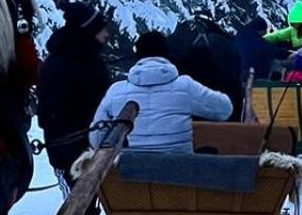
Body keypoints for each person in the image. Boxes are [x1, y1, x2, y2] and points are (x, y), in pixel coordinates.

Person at [37, 2, 112, 215]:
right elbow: (52, 113)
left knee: (84, 212)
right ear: (89, 32)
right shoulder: (66, 64)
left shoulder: (79, 60)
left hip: (85, 147)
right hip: (70, 151)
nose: (107, 35)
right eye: (102, 29)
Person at [91, 30, 233, 154]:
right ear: (167, 55)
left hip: (130, 173)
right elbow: (225, 110)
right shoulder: (185, 86)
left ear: (137, 57)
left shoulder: (116, 91)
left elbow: (97, 138)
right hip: (178, 171)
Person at [235, 15, 283, 87]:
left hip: (238, 74)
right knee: (276, 63)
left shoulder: (241, 35)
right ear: (260, 30)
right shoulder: (256, 40)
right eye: (264, 31)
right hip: (255, 76)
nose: (265, 34)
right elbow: (270, 50)